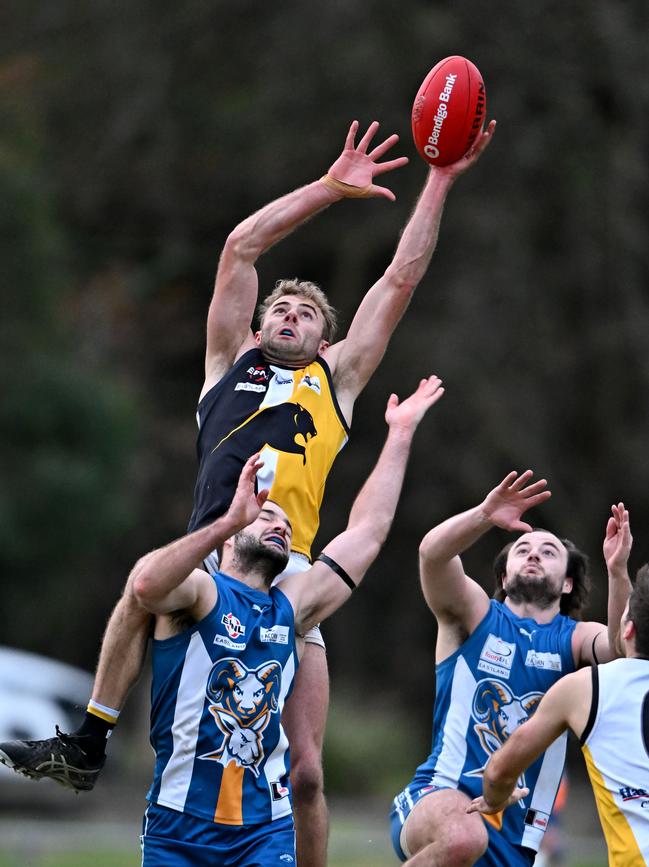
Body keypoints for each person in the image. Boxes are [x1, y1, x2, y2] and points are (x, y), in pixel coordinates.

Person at [0, 116, 494, 866]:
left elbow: (399, 278)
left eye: (306, 314)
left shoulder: (338, 382)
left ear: (327, 341)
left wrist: (438, 180)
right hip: (218, 555)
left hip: (292, 570)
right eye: (279, 310)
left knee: (306, 775)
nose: (290, 315)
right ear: (256, 326)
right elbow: (241, 246)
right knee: (144, 588)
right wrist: (330, 190)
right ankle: (90, 741)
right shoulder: (228, 367)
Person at [136, 378, 441, 865]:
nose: (280, 523)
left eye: (285, 520)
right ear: (230, 534)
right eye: (266, 516)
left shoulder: (293, 607)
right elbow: (146, 587)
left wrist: (400, 434)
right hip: (178, 828)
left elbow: (368, 531)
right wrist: (223, 521)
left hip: (265, 830)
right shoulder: (199, 593)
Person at [389, 475, 632, 867]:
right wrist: (485, 515)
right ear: (503, 577)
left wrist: (618, 571)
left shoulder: (573, 640)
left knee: (471, 841)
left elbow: (622, 650)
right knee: (464, 838)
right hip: (439, 797)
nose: (534, 555)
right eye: (523, 549)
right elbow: (432, 555)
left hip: (519, 837)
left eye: (549, 552)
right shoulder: (475, 614)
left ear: (568, 583)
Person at [468, 554, 649, 867]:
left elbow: (498, 772)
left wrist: (494, 798)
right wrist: (617, 570)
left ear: (629, 629)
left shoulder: (586, 687)